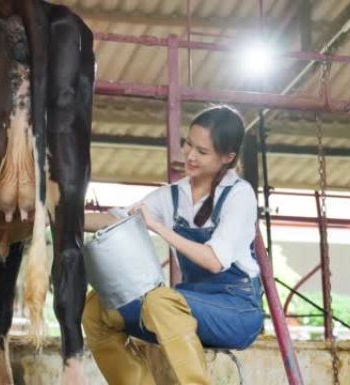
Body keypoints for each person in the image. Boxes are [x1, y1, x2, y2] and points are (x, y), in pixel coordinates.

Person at [82, 105, 264, 385]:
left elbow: (214, 260)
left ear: (227, 157)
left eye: (202, 152)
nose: (190, 155)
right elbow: (118, 219)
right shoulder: (174, 195)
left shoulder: (239, 195)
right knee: (97, 308)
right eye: (189, 144)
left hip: (236, 310)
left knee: (160, 300)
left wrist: (158, 227)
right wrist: (58, 215)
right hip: (185, 305)